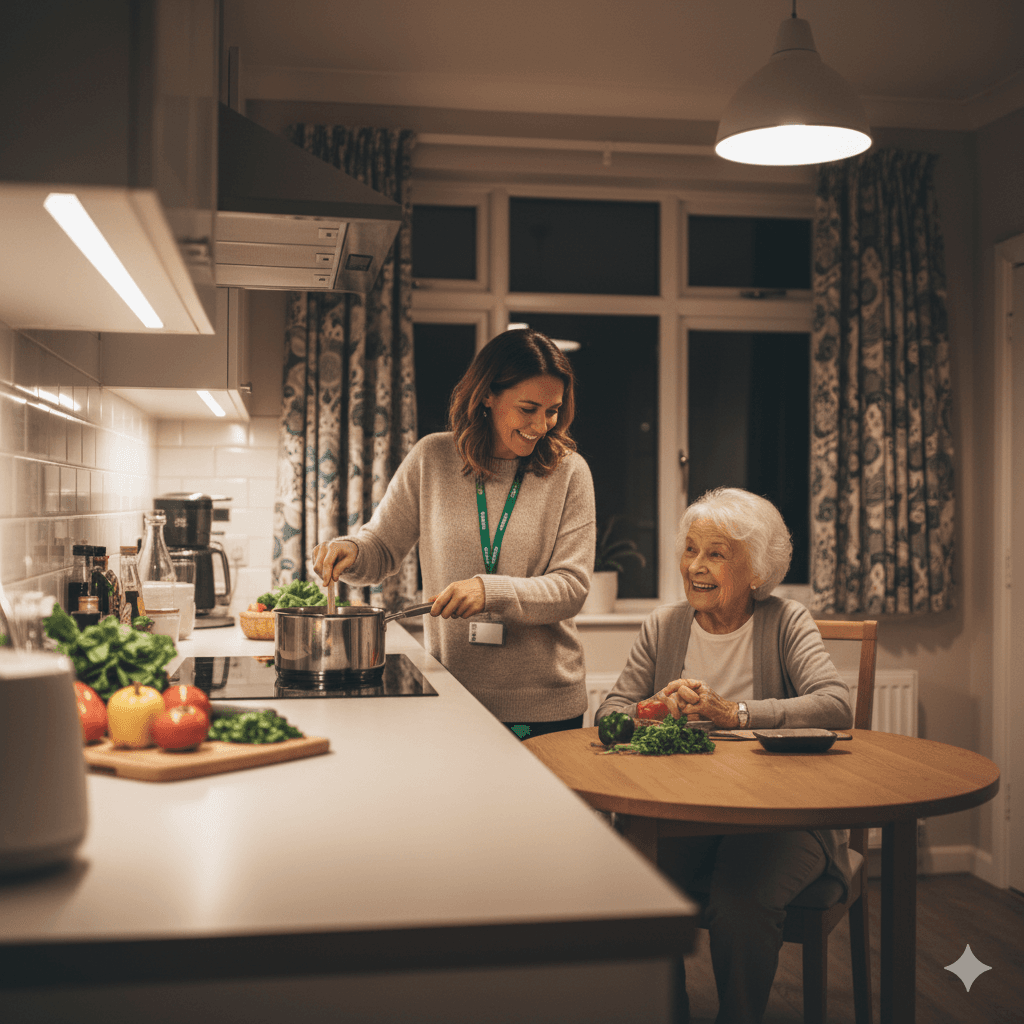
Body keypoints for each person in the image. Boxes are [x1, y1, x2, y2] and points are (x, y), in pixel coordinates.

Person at [594, 487, 853, 1024]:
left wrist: (735, 713)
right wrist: (651, 710)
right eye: (690, 550)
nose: (696, 566)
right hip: (681, 816)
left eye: (716, 553)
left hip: (779, 818)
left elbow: (834, 704)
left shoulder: (787, 621)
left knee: (740, 905)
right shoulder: (663, 626)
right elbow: (611, 713)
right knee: (634, 884)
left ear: (756, 570)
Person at [312, 328, 596, 739]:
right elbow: (381, 546)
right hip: (451, 692)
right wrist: (351, 550)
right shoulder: (433, 457)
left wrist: (490, 591)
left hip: (545, 704)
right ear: (487, 396)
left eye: (552, 411)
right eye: (528, 408)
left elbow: (572, 587)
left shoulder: (570, 472)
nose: (541, 425)